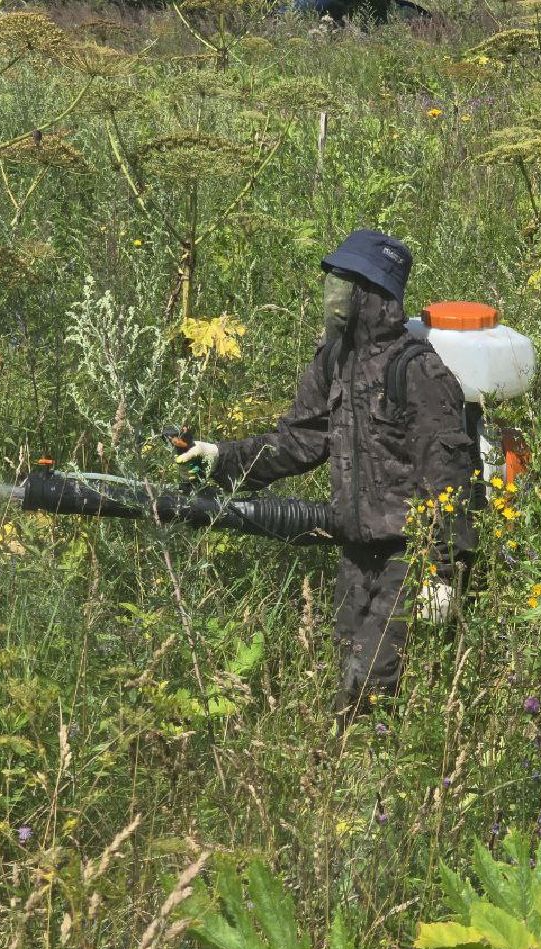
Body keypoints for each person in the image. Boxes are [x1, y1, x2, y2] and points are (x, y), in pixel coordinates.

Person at [178, 229, 476, 719]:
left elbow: (448, 476)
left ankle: (375, 779)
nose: (332, 295)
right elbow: (298, 440)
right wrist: (221, 458)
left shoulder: (417, 370)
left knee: (373, 685)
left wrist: (443, 573)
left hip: (409, 556)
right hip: (355, 549)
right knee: (349, 664)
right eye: (332, 282)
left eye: (345, 284)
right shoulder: (335, 360)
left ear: (373, 295)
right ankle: (357, 774)